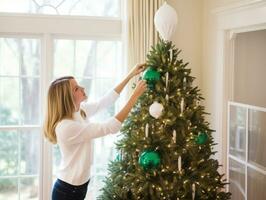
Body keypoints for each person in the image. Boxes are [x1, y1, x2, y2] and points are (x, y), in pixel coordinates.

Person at [43, 63, 147, 200]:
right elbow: (110, 127)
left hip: (79, 186)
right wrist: (134, 97)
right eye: (76, 89)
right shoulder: (66, 127)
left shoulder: (79, 111)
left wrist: (131, 74)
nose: (82, 88)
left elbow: (105, 101)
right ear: (67, 97)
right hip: (67, 191)